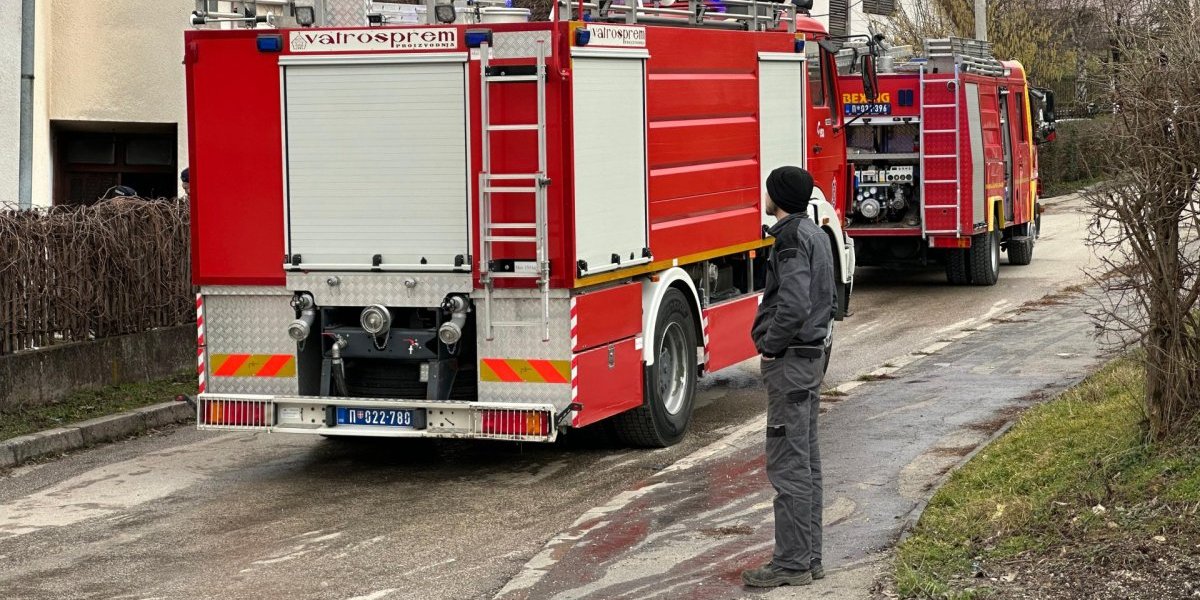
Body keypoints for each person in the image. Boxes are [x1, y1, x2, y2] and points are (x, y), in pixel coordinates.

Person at [743, 166, 837, 588]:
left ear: (777, 197)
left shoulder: (790, 240)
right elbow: (828, 300)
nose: (765, 196)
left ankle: (792, 564)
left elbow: (795, 304)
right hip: (810, 358)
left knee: (788, 466)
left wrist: (771, 344)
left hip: (791, 363)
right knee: (807, 464)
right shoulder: (816, 234)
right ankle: (809, 559)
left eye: (768, 191)